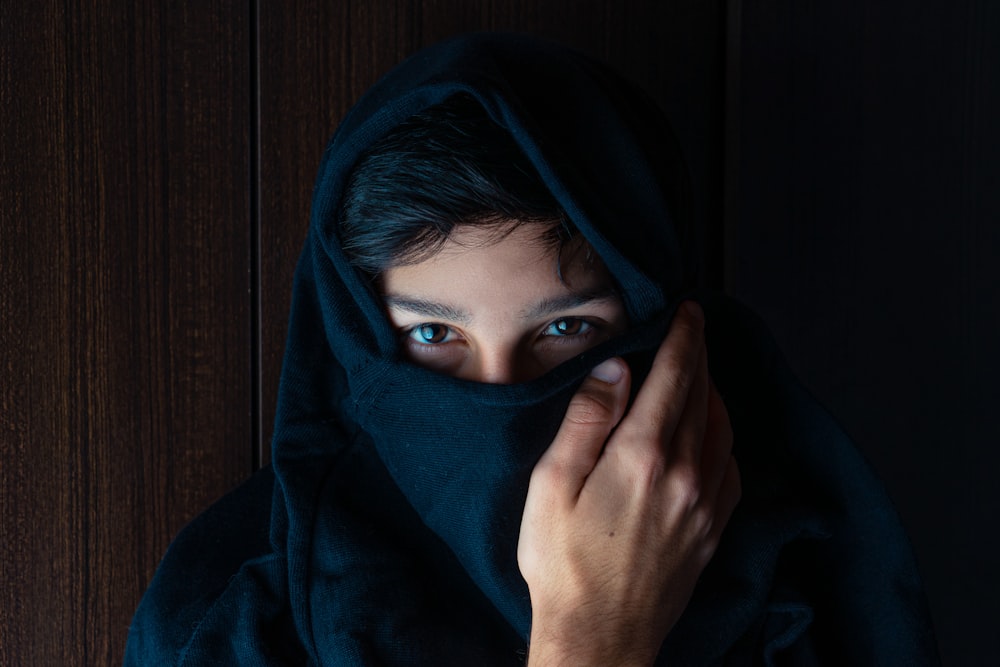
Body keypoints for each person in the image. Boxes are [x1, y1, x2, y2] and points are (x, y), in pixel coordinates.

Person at [125, 33, 939, 665]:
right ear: (355, 337)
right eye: (435, 335)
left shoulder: (811, 583)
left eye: (564, 329)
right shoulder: (229, 622)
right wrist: (592, 637)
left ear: (664, 330)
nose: (502, 398)